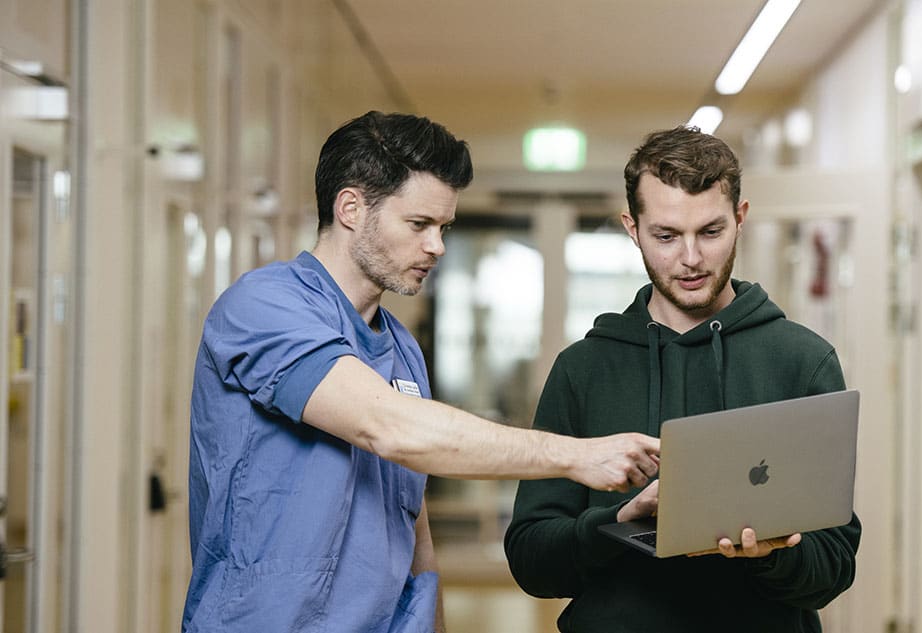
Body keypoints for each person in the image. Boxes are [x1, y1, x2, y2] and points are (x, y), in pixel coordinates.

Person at [181, 111, 660, 633]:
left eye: (444, 227)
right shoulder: (264, 306)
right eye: (419, 225)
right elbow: (387, 427)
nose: (437, 246)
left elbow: (413, 523)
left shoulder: (401, 347)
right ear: (350, 208)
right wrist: (574, 454)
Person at [504, 126, 861, 632]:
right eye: (666, 236)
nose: (690, 258)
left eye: (710, 232)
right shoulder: (583, 369)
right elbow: (532, 561)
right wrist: (620, 521)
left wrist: (770, 554)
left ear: (740, 219)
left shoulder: (802, 361)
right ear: (633, 227)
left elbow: (835, 566)